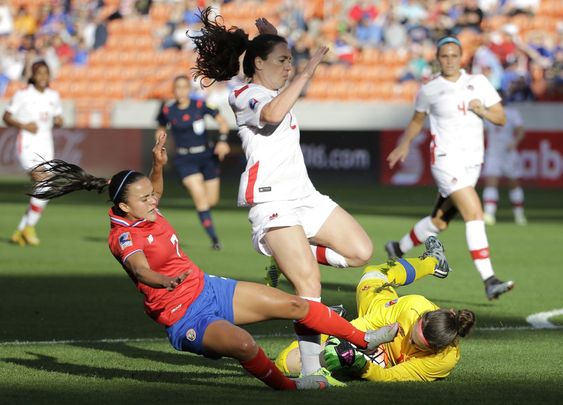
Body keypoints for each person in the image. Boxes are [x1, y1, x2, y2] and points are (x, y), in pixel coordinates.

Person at [27, 133, 398, 391]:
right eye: (144, 199)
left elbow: (154, 190)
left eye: (151, 195)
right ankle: (291, 387)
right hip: (183, 314)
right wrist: (161, 280)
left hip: (209, 288)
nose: (154, 201)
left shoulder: (143, 208)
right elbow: (140, 268)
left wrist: (157, 165)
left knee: (296, 304)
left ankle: (363, 339)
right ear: (124, 206)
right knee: (246, 347)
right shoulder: (124, 236)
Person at [190, 8, 374, 380]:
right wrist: (307, 69)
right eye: (282, 60)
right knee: (309, 285)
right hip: (272, 201)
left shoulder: (271, 87)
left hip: (305, 196)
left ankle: (288, 254)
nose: (290, 67)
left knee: (360, 252)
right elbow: (272, 113)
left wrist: (278, 46)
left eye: (291, 61)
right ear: (258, 63)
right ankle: (311, 373)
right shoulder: (244, 94)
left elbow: (279, 93)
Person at [385, 36, 514, 301]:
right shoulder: (430, 89)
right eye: (444, 56)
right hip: (445, 160)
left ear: (461, 57)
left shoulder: (478, 83)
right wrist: (405, 144)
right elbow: (416, 120)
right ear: (437, 59)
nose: (450, 60)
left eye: (454, 55)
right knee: (474, 213)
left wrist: (483, 112)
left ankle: (398, 247)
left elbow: (500, 117)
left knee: (439, 222)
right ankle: (489, 280)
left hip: (472, 163)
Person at [276, 237, 477, 382]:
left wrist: (360, 365)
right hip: (374, 324)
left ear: (434, 348)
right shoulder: (414, 307)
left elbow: (391, 376)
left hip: (379, 361)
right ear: (421, 318)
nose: (408, 338)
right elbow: (367, 323)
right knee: (373, 274)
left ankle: (331, 324)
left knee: (285, 363)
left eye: (416, 343)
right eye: (412, 331)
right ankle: (433, 262)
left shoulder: (442, 361)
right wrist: (339, 336)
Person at [156, 75, 230, 250]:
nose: (180, 91)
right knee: (200, 198)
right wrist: (159, 147)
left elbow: (223, 123)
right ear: (173, 90)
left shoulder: (199, 105)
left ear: (189, 89)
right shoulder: (167, 110)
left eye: (184, 87)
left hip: (206, 156)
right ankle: (215, 241)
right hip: (184, 159)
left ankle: (208, 224)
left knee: (211, 200)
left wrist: (222, 140)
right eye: (177, 88)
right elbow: (160, 128)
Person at [4, 60, 63, 246]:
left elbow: (57, 117)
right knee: (42, 180)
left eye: (46, 73)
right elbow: (6, 116)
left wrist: (59, 120)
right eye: (39, 73)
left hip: (47, 143)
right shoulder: (23, 94)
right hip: (27, 143)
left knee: (46, 187)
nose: (43, 77)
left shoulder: (54, 95)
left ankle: (22, 230)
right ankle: (28, 229)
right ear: (33, 75)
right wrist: (23, 125)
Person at [482, 96, 527, 225]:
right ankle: (489, 214)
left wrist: (515, 142)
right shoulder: (488, 113)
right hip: (493, 154)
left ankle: (519, 215)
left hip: (508, 154)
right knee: (491, 182)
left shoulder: (512, 113)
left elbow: (521, 131)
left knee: (514, 183)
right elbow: (483, 131)